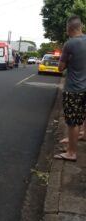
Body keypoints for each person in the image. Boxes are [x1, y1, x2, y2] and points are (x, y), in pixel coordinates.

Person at [54, 15, 86, 162]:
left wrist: (67, 62)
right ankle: (83, 135)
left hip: (74, 89)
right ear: (81, 26)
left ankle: (71, 152)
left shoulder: (70, 44)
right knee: (83, 115)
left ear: (69, 28)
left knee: (72, 122)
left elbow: (60, 67)